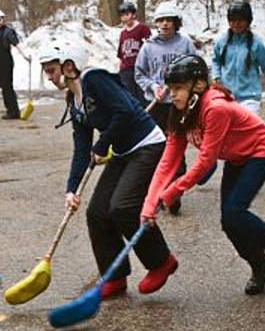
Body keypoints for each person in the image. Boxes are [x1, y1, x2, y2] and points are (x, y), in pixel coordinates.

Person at [141, 55, 265, 296]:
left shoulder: (215, 108)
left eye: (179, 88)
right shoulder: (180, 112)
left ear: (198, 85)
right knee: (229, 222)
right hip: (237, 156)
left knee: (235, 212)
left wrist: (173, 191)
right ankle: (261, 267)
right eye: (170, 89)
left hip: (260, 151)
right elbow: (167, 162)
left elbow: (206, 161)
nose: (173, 95)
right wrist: (149, 204)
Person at [38, 40, 178, 300]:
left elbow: (125, 111)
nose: (49, 77)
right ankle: (114, 277)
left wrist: (102, 145)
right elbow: (82, 149)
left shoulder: (95, 79)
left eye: (51, 70)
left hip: (147, 145)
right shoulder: (74, 101)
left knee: (123, 207)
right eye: (46, 71)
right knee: (97, 212)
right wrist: (71, 189)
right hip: (123, 152)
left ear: (69, 66)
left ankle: (161, 261)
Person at [134, 1, 199, 213]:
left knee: (176, 146)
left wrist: (186, 89)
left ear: (175, 22)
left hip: (178, 105)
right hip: (156, 106)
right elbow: (139, 74)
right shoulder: (148, 47)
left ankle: (174, 193)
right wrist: (153, 87)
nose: (164, 24)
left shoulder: (185, 44)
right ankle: (156, 190)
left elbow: (197, 69)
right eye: (161, 20)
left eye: (169, 20)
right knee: (157, 147)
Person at [211, 0, 265, 115]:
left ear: (248, 21)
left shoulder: (256, 44)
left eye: (240, 20)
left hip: (250, 98)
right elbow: (216, 61)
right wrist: (216, 77)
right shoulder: (221, 42)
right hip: (226, 97)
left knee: (245, 125)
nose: (236, 24)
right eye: (232, 20)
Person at [116, 1, 152, 103]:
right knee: (129, 97)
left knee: (143, 96)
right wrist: (121, 68)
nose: (125, 18)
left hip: (140, 68)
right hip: (126, 70)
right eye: (122, 15)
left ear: (133, 15)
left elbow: (151, 47)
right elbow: (121, 54)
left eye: (127, 14)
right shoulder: (123, 33)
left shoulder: (142, 28)